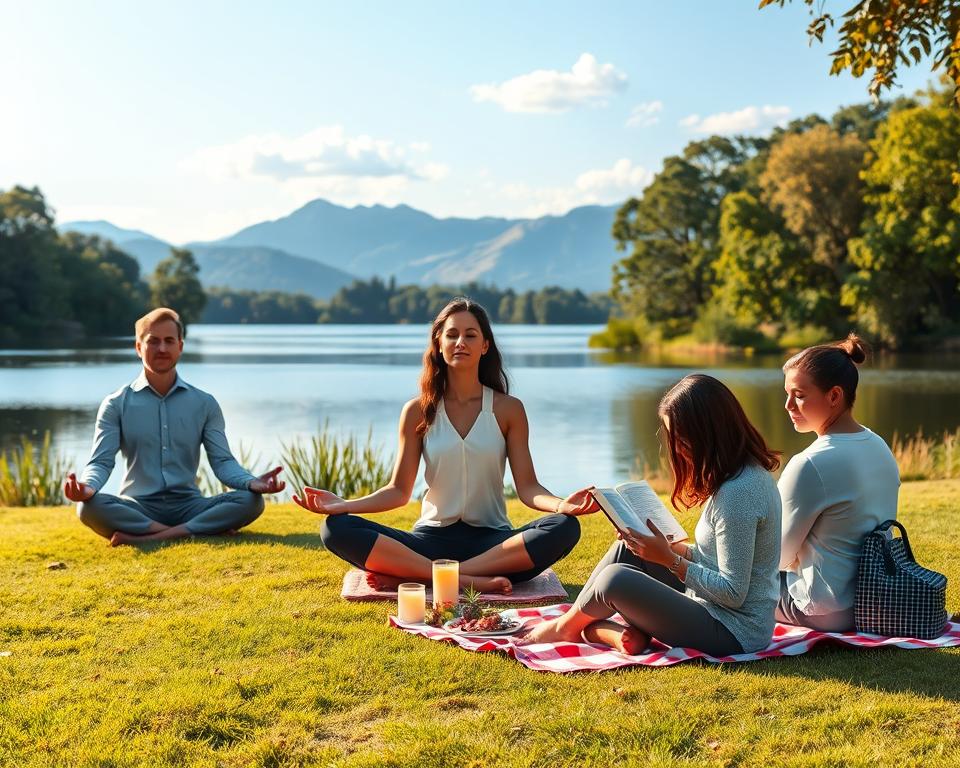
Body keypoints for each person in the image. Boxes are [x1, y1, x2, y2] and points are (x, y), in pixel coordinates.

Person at [293, 297, 596, 594]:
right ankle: (468, 581)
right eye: (451, 334)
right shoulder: (417, 411)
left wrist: (562, 505)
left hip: (493, 544)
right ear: (439, 343)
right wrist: (344, 506)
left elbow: (528, 488)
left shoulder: (508, 409)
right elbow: (398, 491)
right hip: (430, 540)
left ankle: (430, 576)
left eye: (470, 335)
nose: (460, 342)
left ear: (485, 345)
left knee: (564, 527)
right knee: (335, 528)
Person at [519, 374, 782, 656]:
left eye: (683, 439)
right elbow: (719, 560)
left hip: (734, 632)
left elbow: (732, 593)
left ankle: (571, 628)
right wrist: (665, 548)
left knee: (615, 580)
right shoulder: (742, 475)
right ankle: (582, 623)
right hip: (714, 612)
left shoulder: (738, 494)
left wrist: (670, 559)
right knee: (628, 550)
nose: (678, 450)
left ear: (709, 433)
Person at [63, 307, 285, 546]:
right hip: (138, 507)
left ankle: (155, 536)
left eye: (169, 341)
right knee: (88, 508)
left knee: (250, 501)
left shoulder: (204, 403)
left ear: (180, 346)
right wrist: (87, 487)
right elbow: (101, 461)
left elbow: (222, 462)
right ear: (139, 348)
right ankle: (188, 531)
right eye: (153, 341)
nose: (162, 349)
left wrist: (251, 482)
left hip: (190, 505)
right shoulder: (115, 404)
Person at [777, 334, 900, 632]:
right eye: (787, 394)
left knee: (723, 581)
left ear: (834, 396)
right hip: (872, 600)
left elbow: (776, 556)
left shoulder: (810, 463)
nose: (788, 405)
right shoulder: (879, 445)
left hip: (820, 609)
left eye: (799, 395)